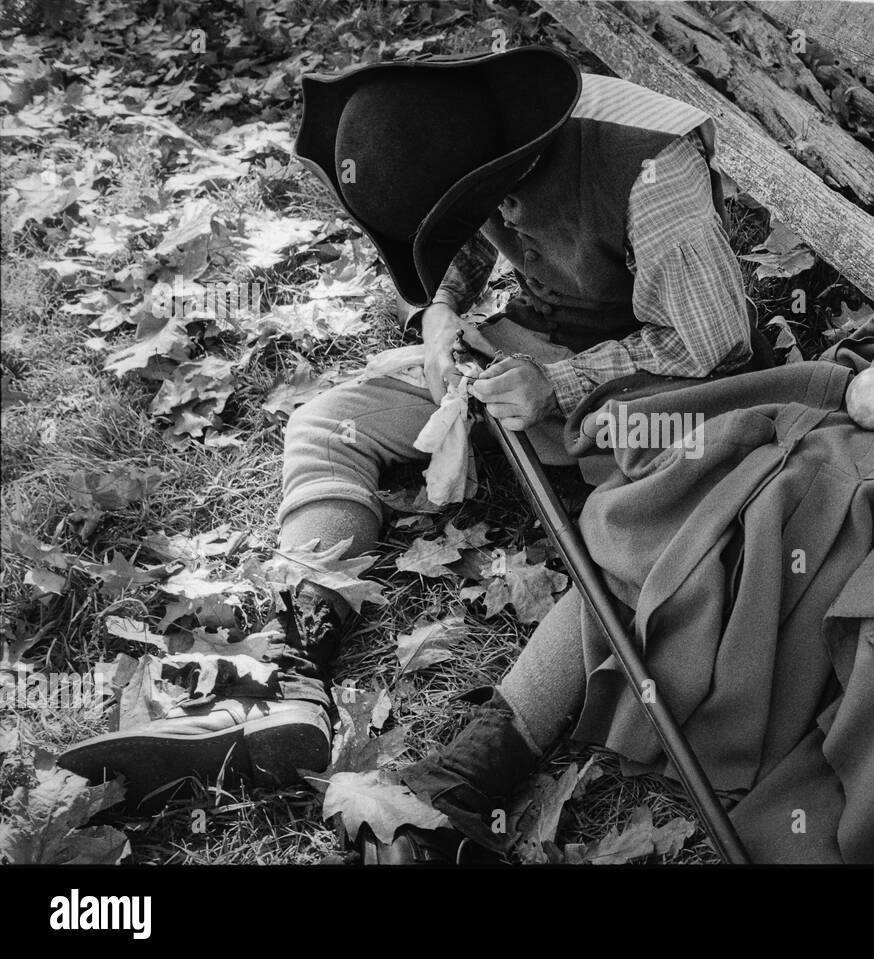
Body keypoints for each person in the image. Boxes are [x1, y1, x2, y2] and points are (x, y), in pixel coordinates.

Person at [58, 46, 758, 853]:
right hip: (523, 352)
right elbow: (458, 237)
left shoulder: (648, 168)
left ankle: (459, 783)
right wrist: (442, 314)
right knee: (330, 420)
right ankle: (289, 667)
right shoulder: (455, 133)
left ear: (508, 160)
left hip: (657, 386)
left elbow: (718, 341)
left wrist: (560, 385)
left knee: (634, 548)